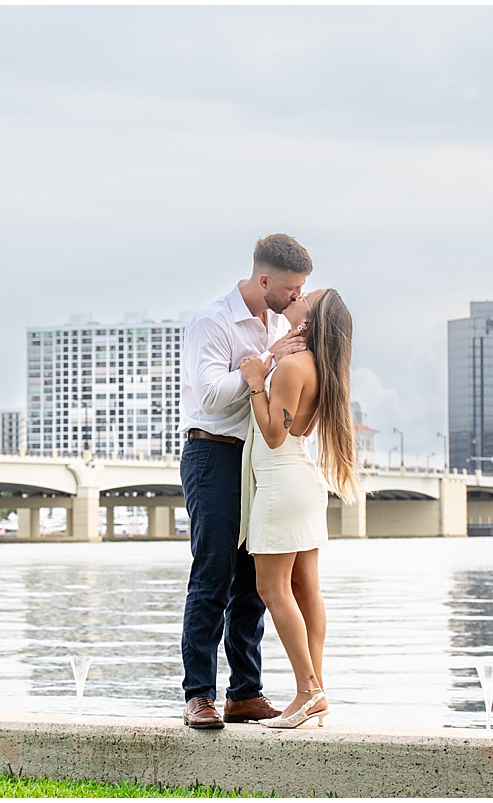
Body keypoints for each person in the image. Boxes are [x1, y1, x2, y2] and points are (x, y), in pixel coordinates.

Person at [178, 233, 315, 729]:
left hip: (257, 461)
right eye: (293, 288)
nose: (297, 297)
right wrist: (264, 364)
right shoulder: (213, 320)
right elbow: (211, 396)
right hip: (212, 454)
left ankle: (245, 693)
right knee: (212, 573)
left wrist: (273, 363)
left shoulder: (280, 321)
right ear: (265, 280)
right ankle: (198, 695)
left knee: (253, 583)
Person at [238, 287, 358, 729]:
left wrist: (255, 381)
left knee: (273, 590)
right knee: (307, 590)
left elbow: (273, 435)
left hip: (280, 483)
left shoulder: (291, 367)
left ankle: (307, 691)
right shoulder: (319, 366)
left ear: (309, 319)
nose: (300, 294)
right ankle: (317, 689)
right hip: (303, 482)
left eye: (309, 295)